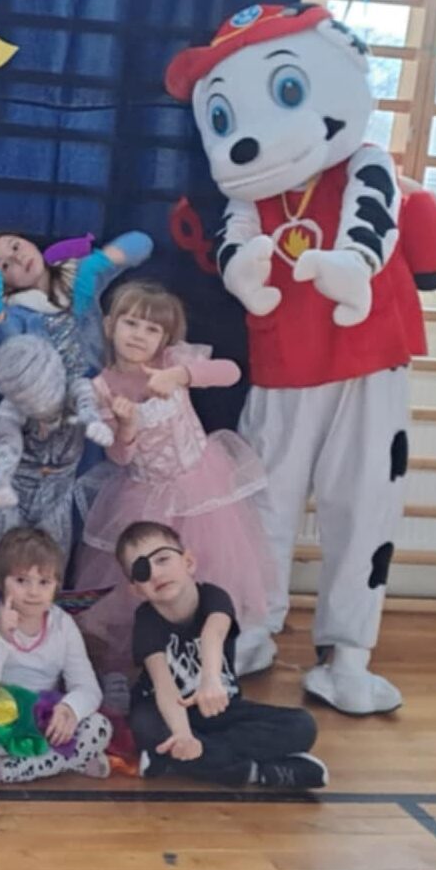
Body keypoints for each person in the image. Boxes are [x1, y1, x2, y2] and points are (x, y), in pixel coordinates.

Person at [77, 282, 274, 679]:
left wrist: (181, 375)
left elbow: (231, 372)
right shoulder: (101, 387)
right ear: (111, 325)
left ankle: (208, 658)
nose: (139, 335)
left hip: (200, 485)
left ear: (165, 338)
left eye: (152, 329)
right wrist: (127, 425)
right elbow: (119, 456)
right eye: (131, 323)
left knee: (206, 573)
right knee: (144, 580)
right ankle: (151, 663)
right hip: (144, 495)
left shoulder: (171, 361)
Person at [117, 522, 325, 790]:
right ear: (136, 589)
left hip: (217, 707)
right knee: (146, 727)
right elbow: (163, 685)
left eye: (163, 559)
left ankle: (176, 760)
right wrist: (182, 734)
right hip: (168, 711)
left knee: (301, 725)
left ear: (188, 562)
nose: (156, 573)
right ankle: (258, 772)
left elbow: (212, 635)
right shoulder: (147, 620)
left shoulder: (214, 597)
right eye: (142, 571)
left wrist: (211, 681)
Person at [0, 528, 111, 784]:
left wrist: (70, 709)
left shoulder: (62, 624)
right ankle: (71, 760)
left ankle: (1, 770)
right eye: (21, 581)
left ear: (56, 585)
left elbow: (88, 688)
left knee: (100, 727)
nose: (33, 592)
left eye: (44, 582)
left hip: (44, 717)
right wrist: (0, 638)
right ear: (1, 581)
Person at [0, 334, 110, 574]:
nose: (38, 409)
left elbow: (85, 401)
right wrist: (2, 483)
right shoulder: (10, 409)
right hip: (16, 489)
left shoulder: (75, 387)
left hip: (58, 493)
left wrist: (93, 421)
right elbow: (8, 445)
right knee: (1, 561)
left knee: (53, 564)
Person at [0, 229, 152, 377]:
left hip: (107, 381)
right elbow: (11, 350)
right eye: (5, 265)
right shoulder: (16, 312)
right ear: (4, 285)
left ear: (29, 241)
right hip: (55, 399)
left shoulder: (75, 273)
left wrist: (99, 261)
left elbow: (143, 242)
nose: (18, 258)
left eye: (15, 246)